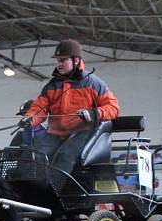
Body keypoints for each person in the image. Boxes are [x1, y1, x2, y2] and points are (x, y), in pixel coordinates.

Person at [19, 38, 120, 175]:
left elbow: (113, 108)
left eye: (63, 60)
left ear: (76, 60)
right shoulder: (51, 86)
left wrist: (93, 113)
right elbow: (39, 109)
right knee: (36, 155)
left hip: (83, 133)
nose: (59, 64)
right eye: (58, 60)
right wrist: (30, 119)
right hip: (55, 134)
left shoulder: (94, 83)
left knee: (65, 156)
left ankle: (53, 190)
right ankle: (38, 187)